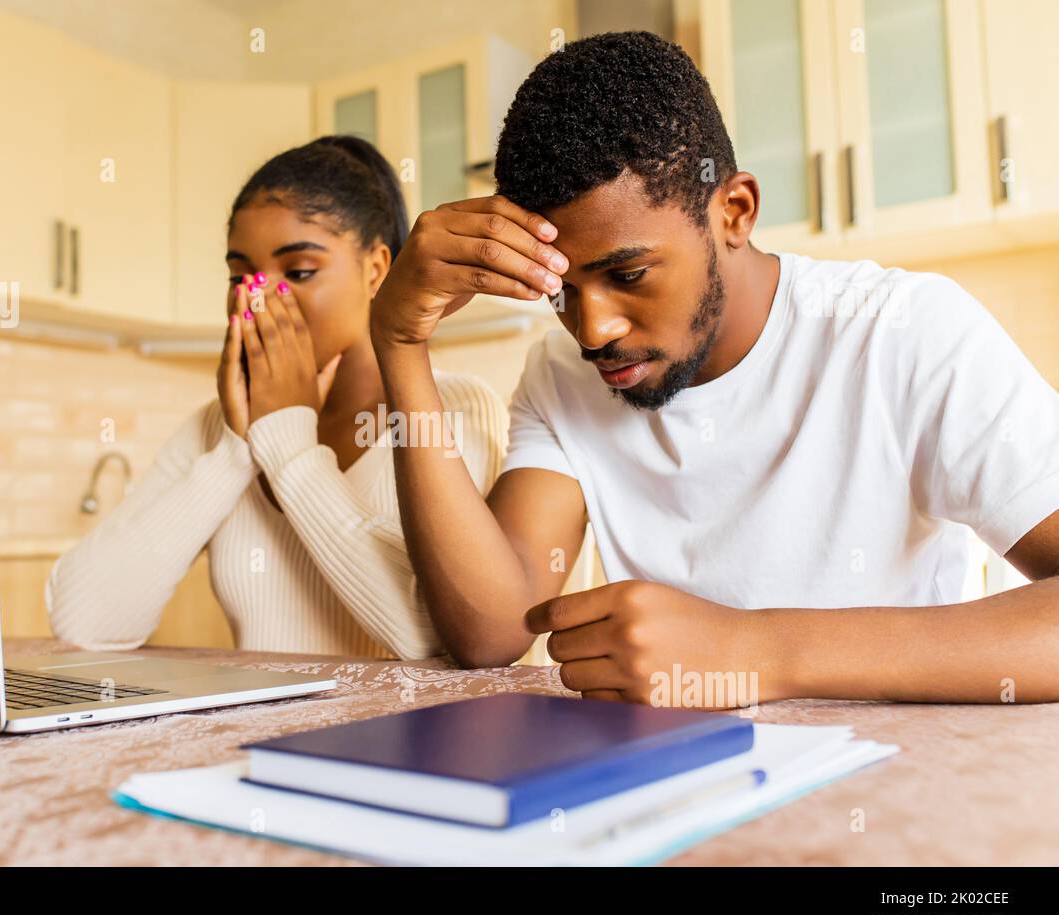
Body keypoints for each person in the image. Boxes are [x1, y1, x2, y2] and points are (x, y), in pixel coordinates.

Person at [369, 32, 1059, 703]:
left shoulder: (902, 332)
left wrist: (755, 651)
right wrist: (399, 343)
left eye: (629, 273)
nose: (592, 329)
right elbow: (489, 631)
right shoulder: (560, 373)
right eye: (561, 290)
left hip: (895, 786)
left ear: (734, 211)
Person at [47, 136, 507, 659]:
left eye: (299, 272)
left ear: (376, 268)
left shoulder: (460, 408)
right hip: (250, 740)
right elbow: (82, 621)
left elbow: (437, 637)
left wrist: (287, 441)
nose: (259, 298)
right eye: (240, 275)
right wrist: (240, 446)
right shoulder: (214, 428)